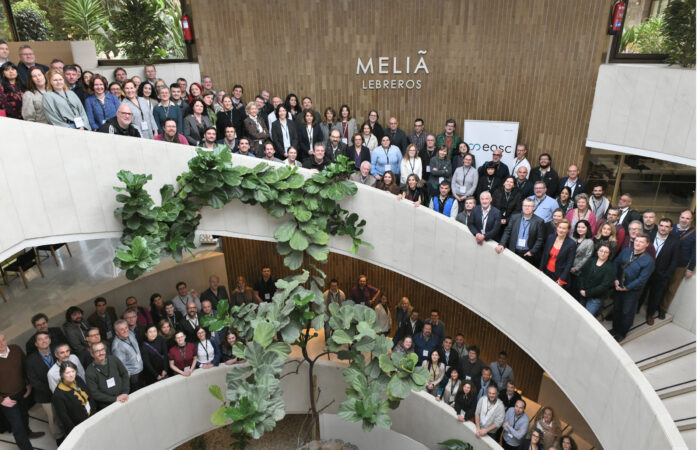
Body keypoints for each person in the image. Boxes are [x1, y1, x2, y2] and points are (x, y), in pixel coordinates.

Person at [612, 234, 655, 341]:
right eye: (636, 240)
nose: (638, 243)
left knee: (627, 311)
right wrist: (615, 279)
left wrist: (627, 288)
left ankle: (622, 332)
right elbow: (616, 264)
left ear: (647, 244)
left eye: (641, 242)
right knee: (617, 308)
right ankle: (615, 328)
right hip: (618, 285)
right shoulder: (626, 251)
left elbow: (642, 279)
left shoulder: (649, 261)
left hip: (632, 291)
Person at [643, 218, 680, 325]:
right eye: (662, 225)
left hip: (661, 274)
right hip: (645, 271)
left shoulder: (675, 241)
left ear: (671, 229)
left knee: (655, 295)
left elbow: (674, 261)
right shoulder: (649, 236)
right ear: (658, 226)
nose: (663, 228)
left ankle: (650, 314)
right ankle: (635, 309)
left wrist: (666, 275)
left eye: (666, 226)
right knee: (641, 292)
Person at [25, 332, 60, 440]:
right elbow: (34, 381)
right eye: (40, 339)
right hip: (46, 395)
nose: (44, 341)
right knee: (53, 417)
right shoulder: (30, 360)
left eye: (46, 338)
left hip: (64, 389)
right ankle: (58, 437)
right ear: (36, 344)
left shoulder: (58, 351)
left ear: (49, 340)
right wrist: (53, 389)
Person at [662, 210, 696, 315]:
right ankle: (652, 305)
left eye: (687, 218)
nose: (684, 220)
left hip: (680, 266)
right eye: (683, 217)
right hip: (665, 262)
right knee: (659, 285)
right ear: (679, 217)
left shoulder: (695, 233)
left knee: (671, 289)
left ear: (691, 220)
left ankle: (662, 309)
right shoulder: (670, 228)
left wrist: (690, 268)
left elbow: (695, 252)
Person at [496, 198, 545, 266]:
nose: (527, 208)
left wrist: (532, 252)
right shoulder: (514, 217)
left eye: (529, 206)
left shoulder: (539, 221)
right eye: (525, 205)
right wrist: (501, 244)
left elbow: (540, 239)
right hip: (513, 251)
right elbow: (507, 232)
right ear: (522, 207)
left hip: (527, 254)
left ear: (534, 208)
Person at [52, 361, 95, 436]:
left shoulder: (78, 379)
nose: (71, 375)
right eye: (67, 373)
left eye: (73, 371)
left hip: (92, 418)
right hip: (79, 427)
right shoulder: (58, 394)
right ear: (62, 375)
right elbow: (64, 417)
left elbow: (89, 396)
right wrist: (76, 432)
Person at [84, 342, 130, 411]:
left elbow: (124, 374)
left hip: (124, 397)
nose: (101, 353)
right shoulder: (89, 372)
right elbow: (95, 393)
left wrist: (125, 392)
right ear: (92, 354)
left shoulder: (114, 359)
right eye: (97, 351)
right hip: (107, 406)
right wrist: (115, 399)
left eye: (102, 349)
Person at [578, 244, 616, 316]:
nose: (603, 253)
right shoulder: (591, 260)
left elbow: (604, 286)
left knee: (587, 317)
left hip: (595, 298)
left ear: (609, 254)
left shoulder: (610, 268)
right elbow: (582, 275)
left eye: (606, 252)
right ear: (597, 251)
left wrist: (587, 292)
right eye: (601, 251)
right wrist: (581, 289)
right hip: (583, 292)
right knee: (579, 314)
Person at [540, 220, 576, 287]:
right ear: (557, 227)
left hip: (558, 275)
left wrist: (562, 279)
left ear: (568, 230)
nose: (561, 230)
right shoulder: (550, 237)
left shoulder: (571, 244)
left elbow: (569, 263)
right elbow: (544, 255)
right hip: (546, 271)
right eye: (560, 227)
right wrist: (541, 270)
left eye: (564, 228)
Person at [111, 320, 144, 391]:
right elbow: (121, 365)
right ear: (117, 332)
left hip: (140, 368)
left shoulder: (131, 334)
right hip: (133, 375)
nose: (125, 330)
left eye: (126, 328)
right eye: (122, 329)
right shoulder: (117, 347)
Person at [569, 220, 594, 297]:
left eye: (583, 227)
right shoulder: (572, 237)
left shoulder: (589, 242)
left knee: (573, 292)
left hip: (578, 272)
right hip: (567, 268)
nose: (580, 229)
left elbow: (587, 257)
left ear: (587, 229)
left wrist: (576, 268)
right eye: (578, 227)